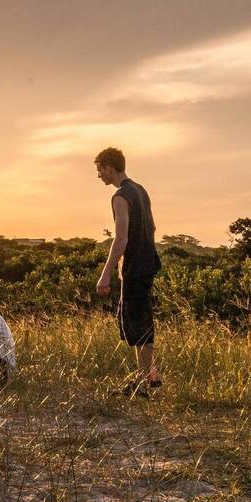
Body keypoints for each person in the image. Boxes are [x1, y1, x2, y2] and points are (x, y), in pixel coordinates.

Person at [94, 147, 162, 398]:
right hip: (147, 263)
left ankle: (144, 382)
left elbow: (120, 238)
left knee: (138, 324)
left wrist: (106, 273)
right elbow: (152, 227)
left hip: (135, 266)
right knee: (137, 321)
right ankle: (147, 376)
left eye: (100, 169)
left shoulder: (121, 196)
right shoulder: (140, 190)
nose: (99, 175)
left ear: (110, 168)